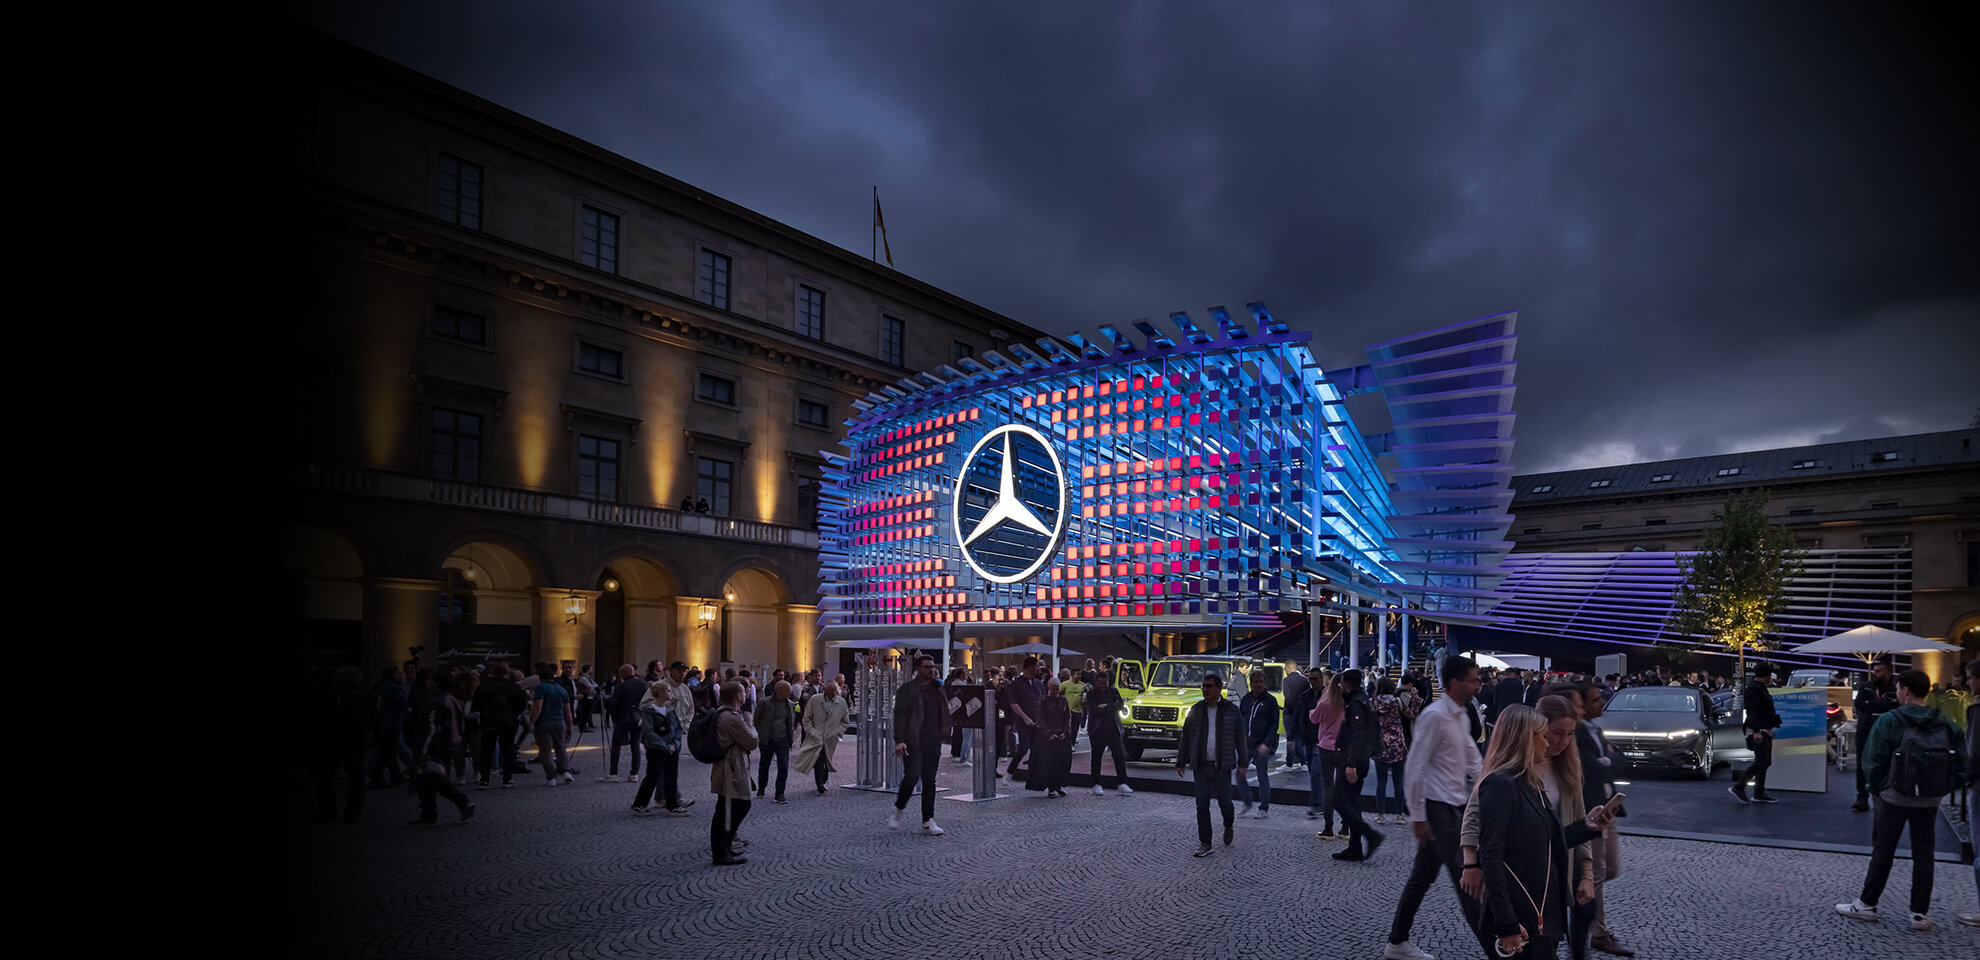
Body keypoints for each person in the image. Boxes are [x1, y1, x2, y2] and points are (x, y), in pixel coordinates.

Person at [1462, 705, 1614, 959]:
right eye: (1543, 736)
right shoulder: (1500, 784)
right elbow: (1491, 855)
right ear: (1525, 739)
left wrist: (1586, 827)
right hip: (1521, 918)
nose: (1548, 743)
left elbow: (1547, 841)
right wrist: (1506, 923)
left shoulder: (1530, 782)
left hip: (1544, 915)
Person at [1835, 668, 1968, 930]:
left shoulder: (1889, 720)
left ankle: (1867, 904)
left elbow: (1871, 760)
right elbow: (1961, 761)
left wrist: (1877, 788)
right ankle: (1919, 914)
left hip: (1894, 796)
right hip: (1930, 799)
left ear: (1905, 691)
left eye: (1898, 688)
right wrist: (1944, 787)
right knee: (1924, 854)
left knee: (1883, 849)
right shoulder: (1945, 722)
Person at [1384, 655, 1486, 960]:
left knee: (1422, 877)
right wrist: (1417, 815)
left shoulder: (1461, 716)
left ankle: (1396, 942)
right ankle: (1501, 948)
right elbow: (1415, 765)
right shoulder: (1434, 716)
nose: (1478, 684)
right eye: (1473, 679)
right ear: (1456, 683)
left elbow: (1472, 760)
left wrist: (1491, 786)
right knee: (1467, 879)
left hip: (1454, 806)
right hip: (1436, 808)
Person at [1572, 681, 1632, 957]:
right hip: (1591, 807)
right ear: (1582, 705)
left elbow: (1619, 759)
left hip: (1608, 805)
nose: (1601, 704)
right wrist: (1606, 761)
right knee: (1596, 873)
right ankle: (1598, 933)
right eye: (1595, 699)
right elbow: (1593, 769)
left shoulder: (1595, 730)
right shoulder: (1577, 732)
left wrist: (1608, 761)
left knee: (1610, 870)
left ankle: (1576, 900)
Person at [1176, 673, 1243, 857]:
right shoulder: (1196, 710)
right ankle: (1205, 842)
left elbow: (1240, 738)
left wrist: (1243, 762)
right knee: (1201, 804)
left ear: (1218, 689)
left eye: (1209, 686)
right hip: (1202, 766)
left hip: (1223, 766)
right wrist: (1181, 761)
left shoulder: (1231, 710)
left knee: (1225, 803)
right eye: (1203, 686)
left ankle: (1228, 823)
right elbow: (1186, 737)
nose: (1205, 689)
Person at [888, 655, 950, 835]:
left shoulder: (938, 688)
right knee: (912, 777)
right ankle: (899, 809)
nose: (930, 670)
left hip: (933, 740)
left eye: (932, 667)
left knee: (930, 780)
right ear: (917, 668)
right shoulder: (907, 689)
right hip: (912, 740)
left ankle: (928, 819)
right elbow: (899, 715)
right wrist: (899, 740)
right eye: (926, 667)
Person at [408, 671, 475, 827]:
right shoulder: (455, 700)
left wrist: (425, 751)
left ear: (437, 683)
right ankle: (429, 813)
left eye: (430, 679)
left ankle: (459, 802)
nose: (427, 682)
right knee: (429, 778)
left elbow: (432, 728)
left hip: (436, 746)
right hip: (450, 744)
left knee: (431, 777)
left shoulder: (434, 701)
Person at [1330, 669, 1384, 862]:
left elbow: (1357, 734)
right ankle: (1355, 847)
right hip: (1359, 758)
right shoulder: (1362, 700)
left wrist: (1351, 763)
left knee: (1338, 800)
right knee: (1352, 801)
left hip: (1353, 760)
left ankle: (1370, 835)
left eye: (1341, 682)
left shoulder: (1355, 703)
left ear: (1346, 683)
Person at [311, 666, 376, 824]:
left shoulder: (333, 697)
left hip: (334, 741)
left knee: (326, 776)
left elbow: (324, 720)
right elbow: (374, 720)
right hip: (360, 741)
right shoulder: (372, 697)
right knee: (358, 778)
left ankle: (328, 811)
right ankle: (353, 812)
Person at [709, 681, 758, 866]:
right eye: (744, 692)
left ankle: (725, 848)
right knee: (736, 806)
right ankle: (721, 852)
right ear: (738, 696)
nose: (746, 694)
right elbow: (751, 741)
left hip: (730, 764)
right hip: (731, 767)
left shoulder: (724, 713)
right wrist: (751, 726)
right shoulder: (731, 717)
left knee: (727, 808)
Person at [630, 680, 689, 815]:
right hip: (656, 749)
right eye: (668, 691)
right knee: (652, 776)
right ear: (661, 693)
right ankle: (639, 804)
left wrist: (675, 744)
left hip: (671, 749)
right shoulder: (649, 711)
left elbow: (677, 729)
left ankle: (672, 805)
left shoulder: (670, 710)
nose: (670, 693)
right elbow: (649, 732)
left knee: (671, 776)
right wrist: (664, 746)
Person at [1729, 664, 1781, 804]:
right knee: (1761, 761)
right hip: (1759, 730)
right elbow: (1752, 711)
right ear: (1766, 675)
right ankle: (1740, 787)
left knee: (1764, 761)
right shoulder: (1754, 689)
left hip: (1763, 729)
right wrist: (1757, 731)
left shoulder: (1758, 688)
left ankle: (1758, 792)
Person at [1853, 662, 1900, 812]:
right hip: (1865, 729)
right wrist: (1882, 705)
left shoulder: (1896, 688)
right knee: (1861, 763)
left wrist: (1874, 704)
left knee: (1886, 762)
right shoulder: (1866, 686)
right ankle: (1862, 797)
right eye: (1875, 671)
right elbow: (1860, 704)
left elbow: (1896, 705)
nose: (1876, 674)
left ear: (1889, 672)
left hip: (1887, 732)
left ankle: (1884, 796)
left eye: (1879, 671)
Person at [1236, 669, 1280, 818]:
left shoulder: (1271, 701)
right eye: (1256, 682)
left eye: (1261, 681)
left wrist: (1267, 743)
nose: (1259, 684)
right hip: (1246, 743)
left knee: (1262, 775)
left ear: (1265, 683)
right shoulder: (1246, 700)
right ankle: (1247, 801)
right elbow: (1241, 718)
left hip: (1262, 744)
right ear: (1251, 683)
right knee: (1239, 773)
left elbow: (1274, 724)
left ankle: (1264, 808)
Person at [1085, 669, 1133, 796]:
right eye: (1101, 684)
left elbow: (1121, 705)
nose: (1103, 687)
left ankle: (1122, 782)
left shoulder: (1113, 691)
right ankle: (1096, 783)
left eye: (1105, 684)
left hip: (1113, 728)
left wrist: (1105, 706)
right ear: (1096, 682)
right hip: (1097, 729)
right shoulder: (1091, 694)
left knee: (1119, 756)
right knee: (1096, 757)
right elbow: (1094, 709)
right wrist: (1111, 707)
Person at [795, 681, 848, 795]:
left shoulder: (841, 702)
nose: (834, 693)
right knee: (818, 758)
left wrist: (836, 731)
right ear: (825, 690)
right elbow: (806, 719)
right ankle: (820, 783)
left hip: (830, 738)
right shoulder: (815, 700)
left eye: (835, 690)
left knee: (827, 759)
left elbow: (845, 722)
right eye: (831, 691)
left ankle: (823, 780)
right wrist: (812, 732)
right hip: (817, 736)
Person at [1026, 680, 1075, 797]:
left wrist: (1065, 732)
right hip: (1046, 738)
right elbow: (1040, 718)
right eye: (1053, 689)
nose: (1055, 691)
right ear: (1048, 688)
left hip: (1061, 735)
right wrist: (1048, 733)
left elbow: (1067, 717)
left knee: (1061, 762)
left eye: (1057, 689)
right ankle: (1051, 787)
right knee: (1048, 763)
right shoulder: (1043, 701)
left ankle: (1057, 785)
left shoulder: (1063, 700)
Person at [529, 663, 575, 785]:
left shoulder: (541, 688)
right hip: (560, 722)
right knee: (561, 748)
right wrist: (570, 725)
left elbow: (537, 707)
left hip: (544, 723)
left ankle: (551, 777)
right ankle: (566, 772)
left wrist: (532, 722)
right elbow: (568, 711)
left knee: (546, 751)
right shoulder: (561, 689)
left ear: (540, 677)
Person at [1960, 658, 1980, 930]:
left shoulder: (1977, 709)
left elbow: (1974, 751)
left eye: (1970, 677)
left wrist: (1964, 778)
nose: (1967, 682)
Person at [1370, 678, 1408, 825]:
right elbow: (1411, 714)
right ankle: (1400, 814)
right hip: (1397, 744)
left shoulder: (1373, 703)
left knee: (1381, 781)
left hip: (1380, 745)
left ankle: (1380, 814)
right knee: (1398, 781)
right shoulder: (1397, 701)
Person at [601, 664, 647, 783]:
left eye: (620, 673)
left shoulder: (621, 686)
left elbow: (614, 704)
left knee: (616, 746)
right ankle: (634, 773)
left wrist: (614, 717)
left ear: (623, 673)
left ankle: (614, 773)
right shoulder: (643, 684)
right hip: (638, 718)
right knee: (635, 745)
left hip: (623, 718)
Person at [368, 667, 413, 788]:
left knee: (389, 751)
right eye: (399, 673)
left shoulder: (380, 686)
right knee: (386, 752)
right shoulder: (394, 688)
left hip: (383, 723)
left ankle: (395, 775)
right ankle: (376, 778)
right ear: (393, 675)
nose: (403, 675)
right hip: (392, 723)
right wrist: (410, 715)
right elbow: (403, 705)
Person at [754, 680, 796, 804]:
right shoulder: (765, 703)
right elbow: (757, 719)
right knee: (764, 765)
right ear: (779, 690)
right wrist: (762, 733)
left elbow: (791, 720)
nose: (790, 692)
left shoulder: (790, 704)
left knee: (783, 766)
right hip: (767, 739)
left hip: (783, 739)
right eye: (787, 689)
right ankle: (761, 787)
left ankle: (780, 793)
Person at [1005, 656, 1044, 778]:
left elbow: (1042, 700)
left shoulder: (1038, 683)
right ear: (1030, 667)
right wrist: (1025, 718)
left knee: (1036, 748)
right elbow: (1013, 702)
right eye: (1037, 666)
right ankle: (1010, 771)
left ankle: (1033, 775)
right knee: (1023, 747)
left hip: (1037, 720)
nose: (1039, 668)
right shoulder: (1016, 683)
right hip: (1023, 721)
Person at [1281, 665, 1311, 771]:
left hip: (1289, 713)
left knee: (1290, 738)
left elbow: (1288, 697)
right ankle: (1304, 762)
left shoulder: (1286, 680)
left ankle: (1289, 762)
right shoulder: (1305, 680)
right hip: (1302, 712)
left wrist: (1293, 711)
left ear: (1289, 668)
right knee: (1299, 738)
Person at [1062, 670, 1088, 742]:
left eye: (1080, 674)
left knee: (1075, 728)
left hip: (1078, 710)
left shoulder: (1083, 685)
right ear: (1072, 675)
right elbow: (1059, 693)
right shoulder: (1065, 684)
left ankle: (1072, 743)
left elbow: (1087, 695)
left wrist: (1084, 699)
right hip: (1068, 710)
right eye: (1078, 674)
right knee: (1067, 727)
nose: (1079, 676)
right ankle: (1067, 742)